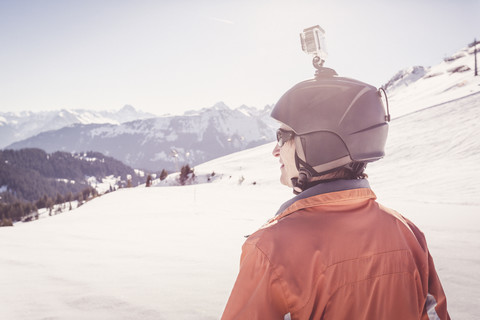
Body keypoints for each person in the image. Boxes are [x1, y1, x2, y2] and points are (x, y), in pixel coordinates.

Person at [221, 68, 450, 319]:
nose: (275, 151)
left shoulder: (271, 250)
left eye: (282, 136)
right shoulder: (408, 234)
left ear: (319, 145)